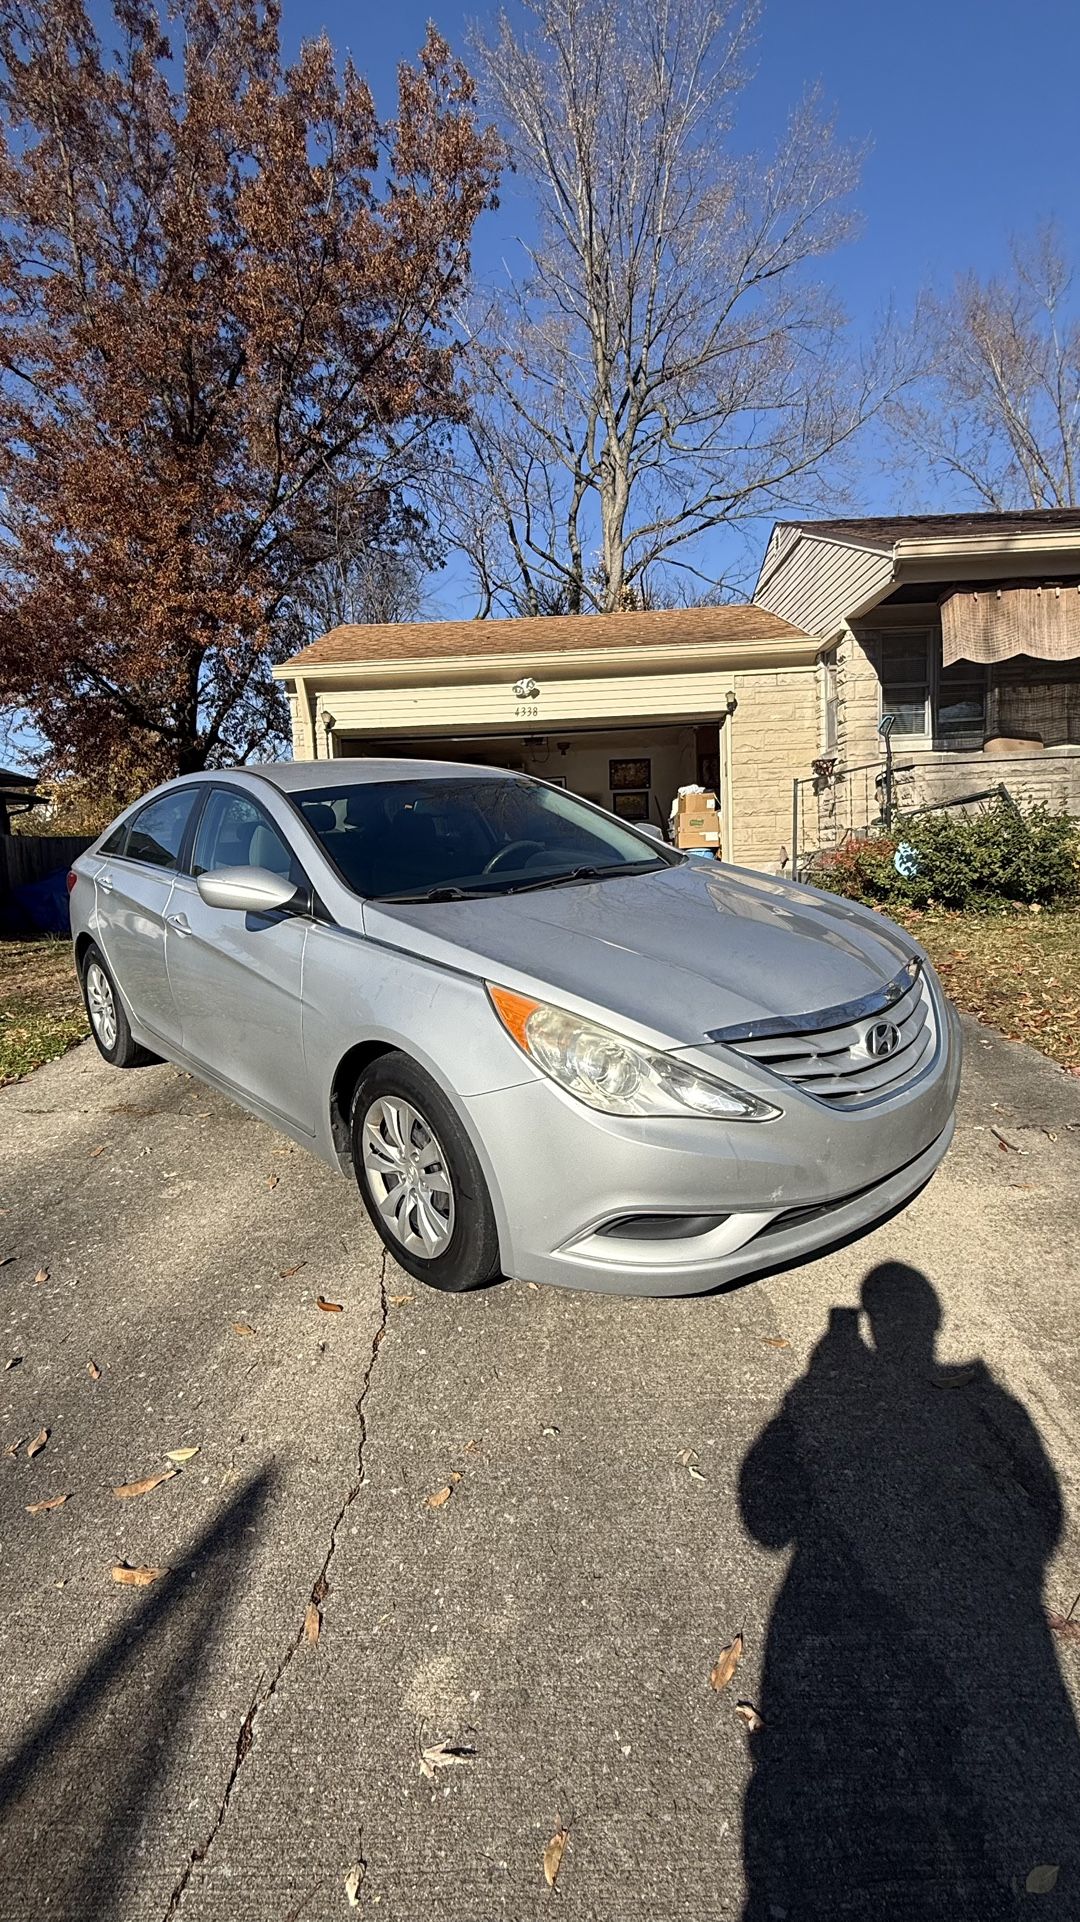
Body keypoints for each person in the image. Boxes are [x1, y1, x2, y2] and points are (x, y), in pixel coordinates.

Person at [739, 1262, 1080, 1920]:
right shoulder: (995, 1407)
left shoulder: (829, 1392)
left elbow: (763, 1519)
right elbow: (1047, 1519)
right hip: (998, 1654)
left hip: (835, 1635)